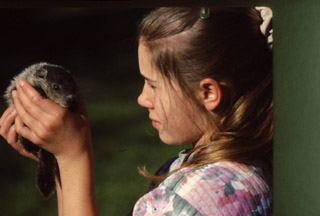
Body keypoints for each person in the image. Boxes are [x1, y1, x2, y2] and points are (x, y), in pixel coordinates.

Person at [0, 7, 273, 216]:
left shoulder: (199, 198)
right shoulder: (225, 166)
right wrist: (60, 158)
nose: (142, 98)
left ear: (208, 93)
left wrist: (74, 159)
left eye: (153, 85)